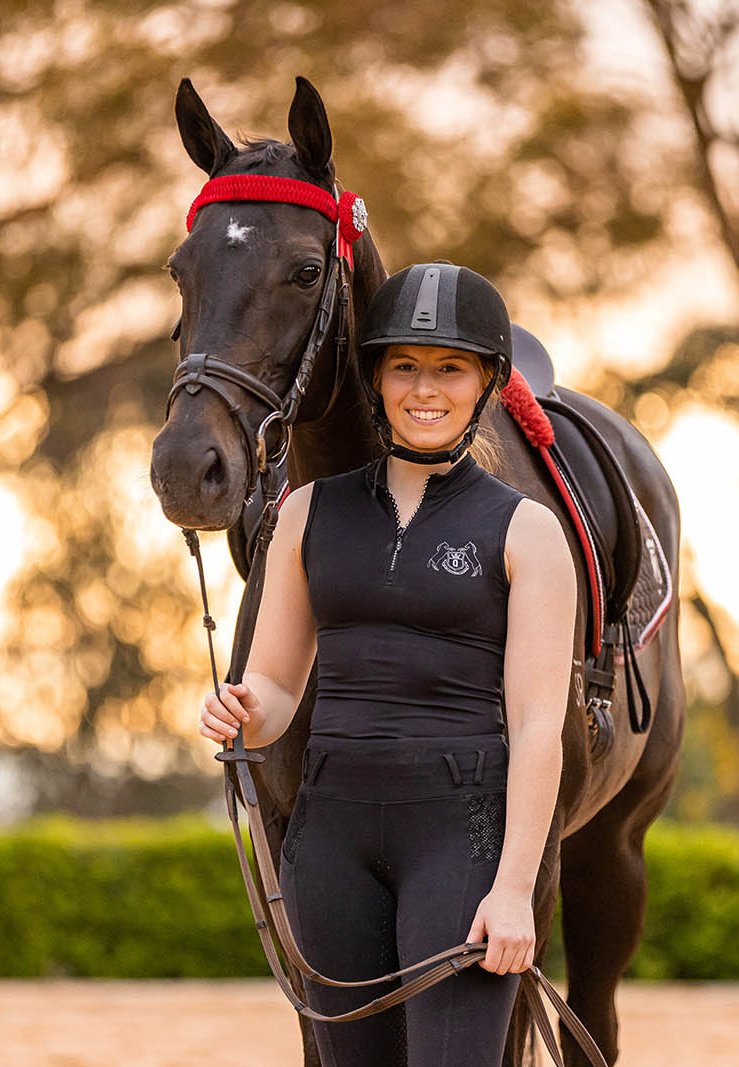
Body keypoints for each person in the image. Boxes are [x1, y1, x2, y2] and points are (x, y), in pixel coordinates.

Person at [199, 262, 576, 1067]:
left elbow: (541, 726)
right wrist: (243, 709)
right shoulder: (302, 515)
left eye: (449, 368)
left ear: (486, 383)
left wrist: (513, 887)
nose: (424, 389)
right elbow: (275, 682)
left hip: (462, 841)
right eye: (404, 365)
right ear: (376, 377)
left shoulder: (528, 530)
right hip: (329, 840)